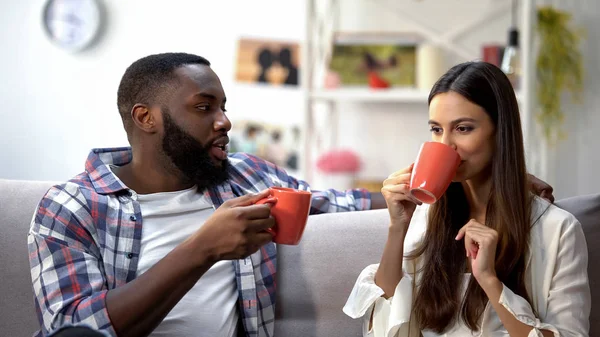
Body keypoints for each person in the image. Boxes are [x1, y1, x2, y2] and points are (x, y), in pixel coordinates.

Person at [28, 53, 553, 337]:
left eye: (224, 105)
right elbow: (77, 331)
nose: (225, 120)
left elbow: (334, 202)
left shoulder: (242, 178)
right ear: (146, 118)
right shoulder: (71, 209)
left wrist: (484, 179)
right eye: (205, 107)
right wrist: (201, 248)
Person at [343, 62, 590, 336]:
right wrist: (397, 229)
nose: (446, 145)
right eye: (436, 130)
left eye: (463, 128)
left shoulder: (558, 230)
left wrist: (489, 279)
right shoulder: (427, 216)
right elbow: (387, 328)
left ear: (500, 132)